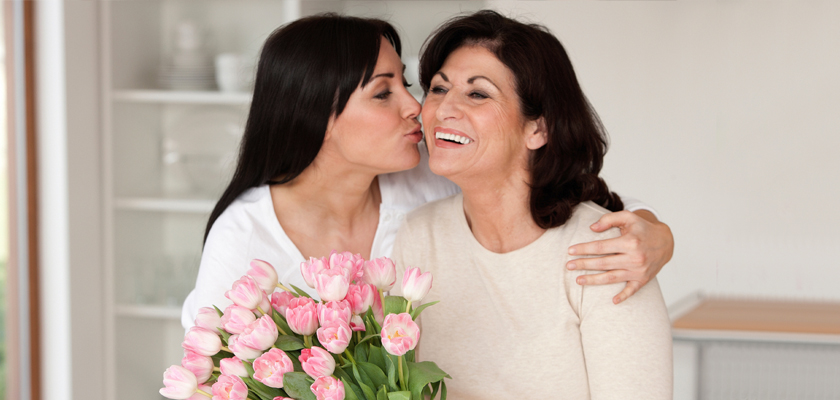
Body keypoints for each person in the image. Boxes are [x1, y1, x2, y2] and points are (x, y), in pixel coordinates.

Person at [181, 13, 674, 330]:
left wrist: (656, 234)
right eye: (383, 92)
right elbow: (216, 375)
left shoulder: (429, 180)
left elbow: (564, 199)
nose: (417, 108)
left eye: (409, 85)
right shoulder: (244, 236)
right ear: (316, 117)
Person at [390, 11, 672, 398]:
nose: (443, 109)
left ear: (538, 128)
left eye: (477, 93)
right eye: (438, 89)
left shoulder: (609, 252)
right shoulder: (420, 236)